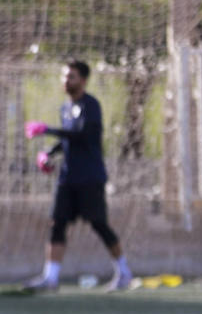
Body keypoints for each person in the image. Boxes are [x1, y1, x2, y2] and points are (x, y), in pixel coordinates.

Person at [23, 59, 133, 293]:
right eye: (64, 76)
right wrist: (48, 154)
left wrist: (47, 130)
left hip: (90, 177)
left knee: (99, 224)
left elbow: (82, 135)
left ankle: (124, 272)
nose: (66, 81)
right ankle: (50, 278)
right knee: (57, 224)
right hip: (67, 178)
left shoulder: (91, 105)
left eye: (71, 76)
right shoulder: (65, 108)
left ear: (82, 80)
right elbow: (67, 140)